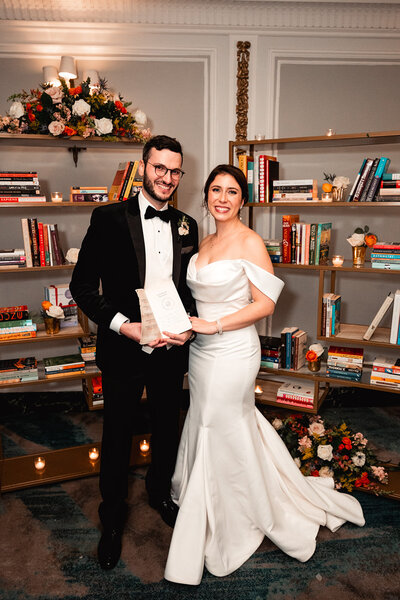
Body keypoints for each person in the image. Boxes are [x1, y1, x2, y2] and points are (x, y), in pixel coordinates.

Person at [164, 164, 365, 585]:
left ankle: (228, 515)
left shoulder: (250, 242)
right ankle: (227, 498)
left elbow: (265, 305)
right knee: (211, 422)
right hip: (201, 352)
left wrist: (214, 325)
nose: (222, 198)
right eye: (215, 190)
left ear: (243, 200)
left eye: (232, 192)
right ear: (206, 196)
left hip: (233, 350)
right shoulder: (204, 242)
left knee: (217, 421)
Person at [69, 135, 198, 571]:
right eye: (159, 168)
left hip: (170, 350)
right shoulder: (106, 219)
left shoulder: (187, 225)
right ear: (143, 166)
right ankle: (112, 515)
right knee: (118, 433)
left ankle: (160, 492)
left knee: (168, 425)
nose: (167, 177)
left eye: (175, 170)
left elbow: (188, 293)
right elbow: (81, 287)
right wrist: (125, 326)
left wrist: (188, 330)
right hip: (124, 347)